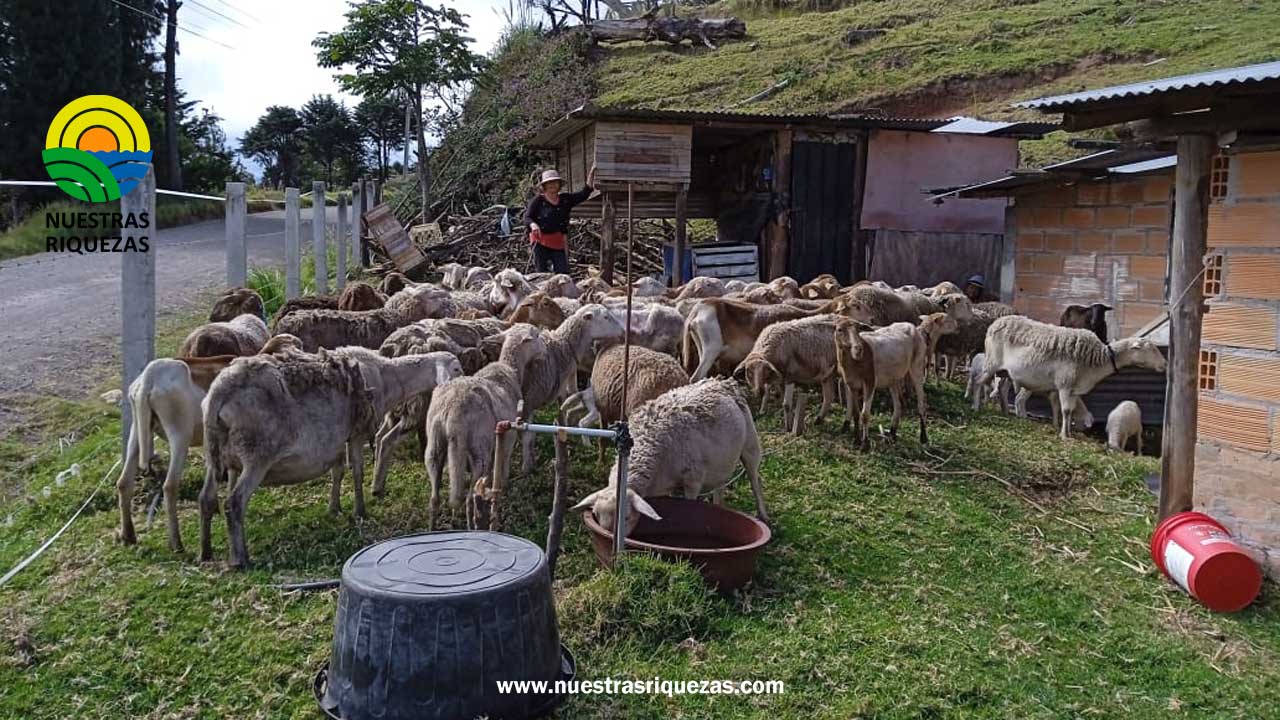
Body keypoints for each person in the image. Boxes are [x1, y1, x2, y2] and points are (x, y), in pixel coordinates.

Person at [523, 166, 596, 274]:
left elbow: (584, 193)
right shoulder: (538, 201)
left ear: (559, 185)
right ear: (544, 186)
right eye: (549, 183)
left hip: (558, 240)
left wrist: (592, 171)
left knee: (562, 271)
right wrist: (533, 225)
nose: (552, 185)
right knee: (542, 272)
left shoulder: (565, 200)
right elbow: (527, 217)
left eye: (555, 182)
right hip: (540, 239)